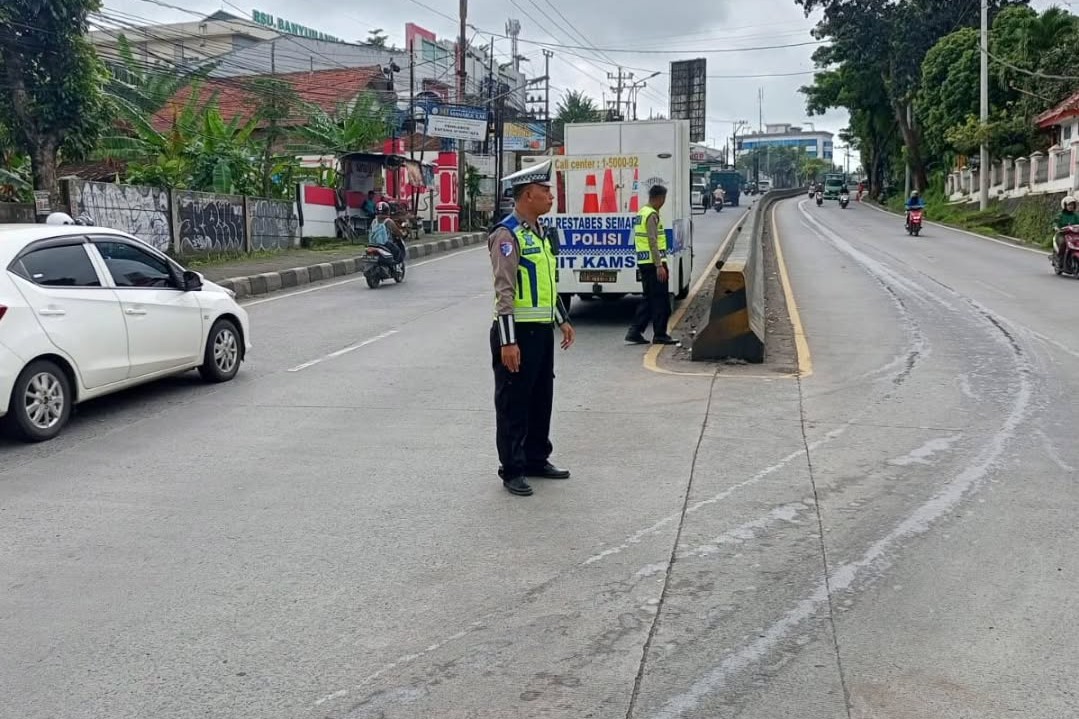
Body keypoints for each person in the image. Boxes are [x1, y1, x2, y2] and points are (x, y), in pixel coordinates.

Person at [488, 160, 575, 497]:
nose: (551, 196)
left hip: (541, 332)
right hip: (517, 334)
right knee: (514, 402)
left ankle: (538, 457)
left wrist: (562, 319)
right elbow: (504, 291)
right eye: (545, 191)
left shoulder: (540, 232)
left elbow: (546, 285)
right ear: (527, 196)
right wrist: (508, 342)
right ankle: (512, 468)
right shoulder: (507, 234)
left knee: (541, 397)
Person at [626, 184, 676, 345]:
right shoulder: (652, 215)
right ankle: (660, 334)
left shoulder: (641, 212)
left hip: (644, 262)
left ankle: (635, 331)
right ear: (659, 198)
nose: (663, 203)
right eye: (663, 199)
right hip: (654, 264)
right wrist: (659, 265)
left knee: (649, 299)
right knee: (661, 301)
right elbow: (653, 241)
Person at [1053, 195, 1079, 265]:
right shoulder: (1060, 215)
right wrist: (1056, 227)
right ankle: (1060, 258)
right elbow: (1055, 222)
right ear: (1065, 205)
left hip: (1074, 235)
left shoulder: (1076, 215)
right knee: (1063, 243)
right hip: (1062, 234)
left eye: (1072, 205)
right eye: (1069, 205)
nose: (1071, 206)